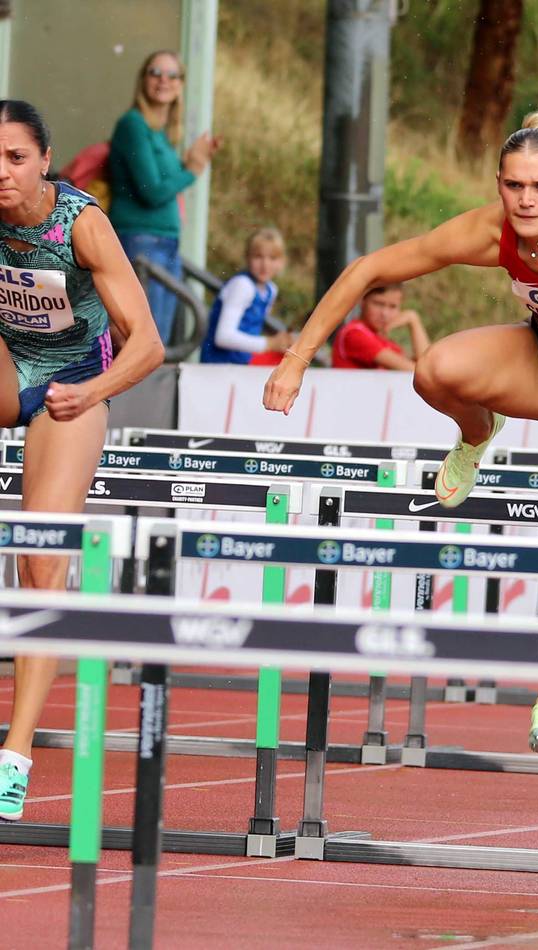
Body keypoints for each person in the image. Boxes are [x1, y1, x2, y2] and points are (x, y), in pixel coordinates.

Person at [264, 111, 538, 755]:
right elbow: (369, 269)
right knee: (433, 369)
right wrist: (297, 359)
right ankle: (476, 432)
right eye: (514, 186)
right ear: (498, 186)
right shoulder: (491, 232)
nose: (526, 201)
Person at [0, 100, 164, 819]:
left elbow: (148, 345)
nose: (1, 172)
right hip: (8, 367)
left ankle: (15, 753)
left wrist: (90, 392)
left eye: (14, 157)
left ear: (44, 161)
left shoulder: (80, 224)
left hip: (74, 383)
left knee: (41, 560)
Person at [108, 49, 220, 344]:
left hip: (165, 243)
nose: (163, 80)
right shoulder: (133, 124)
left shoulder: (160, 133)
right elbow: (152, 192)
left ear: (181, 84)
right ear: (143, 79)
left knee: (157, 342)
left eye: (172, 75)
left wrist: (190, 161)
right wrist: (192, 171)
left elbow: (162, 183)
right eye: (155, 72)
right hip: (140, 242)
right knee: (142, 343)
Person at [199, 227, 294, 364]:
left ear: (281, 262)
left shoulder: (271, 290)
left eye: (272, 258)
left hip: (243, 358)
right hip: (220, 361)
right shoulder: (242, 285)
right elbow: (223, 337)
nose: (265, 265)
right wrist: (269, 343)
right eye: (258, 257)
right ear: (248, 258)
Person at [331, 283, 430, 370]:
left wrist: (414, 321)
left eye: (392, 306)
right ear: (362, 301)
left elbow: (425, 365)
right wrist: (414, 320)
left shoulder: (379, 338)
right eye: (378, 304)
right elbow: (422, 372)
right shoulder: (354, 334)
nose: (384, 314)